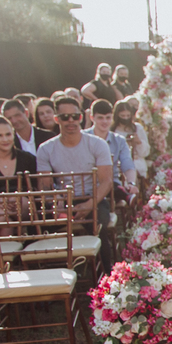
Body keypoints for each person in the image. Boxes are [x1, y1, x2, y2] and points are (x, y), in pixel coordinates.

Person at [36, 96, 115, 268]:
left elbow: (106, 181)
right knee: (38, 226)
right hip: (63, 199)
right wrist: (57, 202)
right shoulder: (46, 149)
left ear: (81, 117)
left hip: (93, 198)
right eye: (65, 117)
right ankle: (57, 271)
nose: (70, 121)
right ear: (57, 119)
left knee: (99, 225)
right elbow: (45, 185)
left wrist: (89, 204)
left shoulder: (97, 144)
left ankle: (108, 273)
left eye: (75, 116)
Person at [88, 99, 137, 202]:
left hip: (111, 184)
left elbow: (127, 163)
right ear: (92, 118)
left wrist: (131, 183)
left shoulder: (119, 140)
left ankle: (126, 196)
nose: (105, 122)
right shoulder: (83, 137)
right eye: (100, 118)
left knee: (110, 185)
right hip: (88, 184)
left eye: (108, 118)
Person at [111, 101, 150, 178]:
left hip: (136, 163)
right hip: (117, 164)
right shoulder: (112, 130)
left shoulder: (137, 128)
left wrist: (139, 142)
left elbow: (145, 153)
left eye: (128, 115)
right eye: (122, 116)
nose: (125, 118)